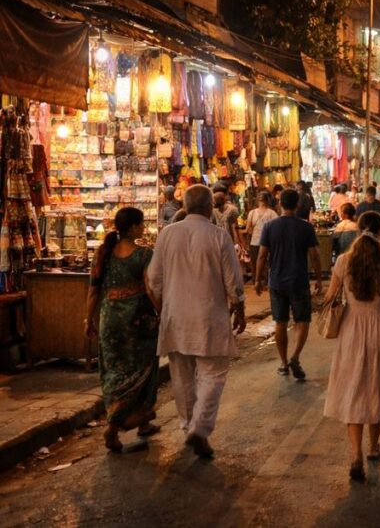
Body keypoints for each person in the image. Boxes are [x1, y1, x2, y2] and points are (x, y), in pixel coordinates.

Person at [148, 186, 247, 459]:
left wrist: (164, 309)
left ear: (186, 205)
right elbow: (233, 281)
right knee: (212, 375)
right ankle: (200, 427)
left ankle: (188, 427)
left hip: (176, 317)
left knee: (181, 377)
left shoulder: (167, 235)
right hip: (210, 316)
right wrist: (239, 308)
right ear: (208, 209)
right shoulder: (218, 236)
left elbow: (153, 281)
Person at [322, 212, 380, 481]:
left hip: (352, 329)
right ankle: (373, 447)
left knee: (353, 387)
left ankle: (355, 454)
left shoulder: (344, 261)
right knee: (375, 386)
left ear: (358, 230)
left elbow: (330, 297)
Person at [85, 207, 160, 453]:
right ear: (133, 228)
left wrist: (89, 320)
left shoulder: (102, 253)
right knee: (143, 370)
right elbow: (150, 289)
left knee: (114, 371)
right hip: (137, 323)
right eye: (141, 224)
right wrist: (163, 312)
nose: (144, 228)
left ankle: (139, 424)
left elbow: (94, 290)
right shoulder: (143, 254)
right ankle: (122, 422)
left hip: (110, 320)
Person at [255, 189, 323, 381]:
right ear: (298, 205)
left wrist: (258, 279)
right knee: (302, 321)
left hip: (276, 281)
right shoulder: (305, 227)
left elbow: (261, 255)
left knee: (280, 322)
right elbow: (315, 256)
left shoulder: (269, 227)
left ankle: (284, 363)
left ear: (280, 204)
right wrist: (318, 279)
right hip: (299, 281)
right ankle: (295, 356)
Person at [244, 192, 278, 283]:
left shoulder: (252, 213)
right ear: (267, 201)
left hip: (255, 241)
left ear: (257, 201)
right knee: (268, 263)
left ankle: (256, 280)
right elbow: (277, 228)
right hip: (268, 242)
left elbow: (247, 229)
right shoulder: (272, 213)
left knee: (255, 263)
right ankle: (268, 280)